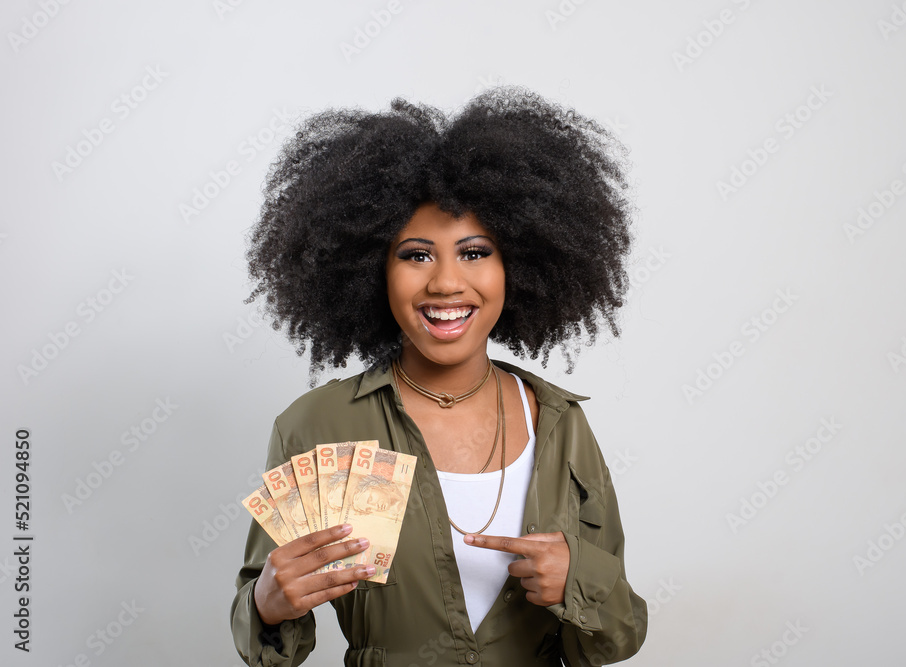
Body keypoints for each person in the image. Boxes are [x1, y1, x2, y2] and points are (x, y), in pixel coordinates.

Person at [231, 86, 647, 667]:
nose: (447, 283)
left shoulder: (559, 424)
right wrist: (268, 603)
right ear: (372, 269)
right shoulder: (318, 426)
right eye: (417, 255)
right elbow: (270, 646)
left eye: (475, 252)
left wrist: (582, 581)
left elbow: (614, 640)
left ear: (518, 267)